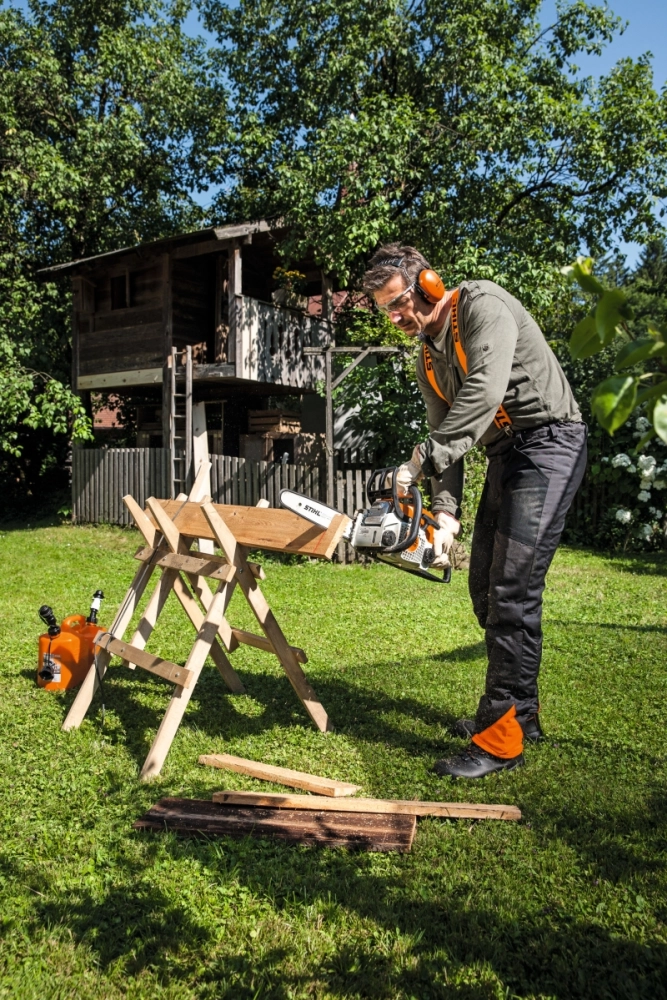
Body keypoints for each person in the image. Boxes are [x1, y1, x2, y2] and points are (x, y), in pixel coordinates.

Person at [362, 245, 587, 779]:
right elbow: (448, 432)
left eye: (397, 304)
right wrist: (444, 513)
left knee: (513, 590)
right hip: (506, 453)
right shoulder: (425, 354)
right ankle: (522, 714)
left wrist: (417, 463)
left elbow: (483, 394)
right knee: (485, 589)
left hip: (551, 444)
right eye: (384, 310)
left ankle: (501, 740)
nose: (394, 318)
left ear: (430, 285)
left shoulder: (482, 306)